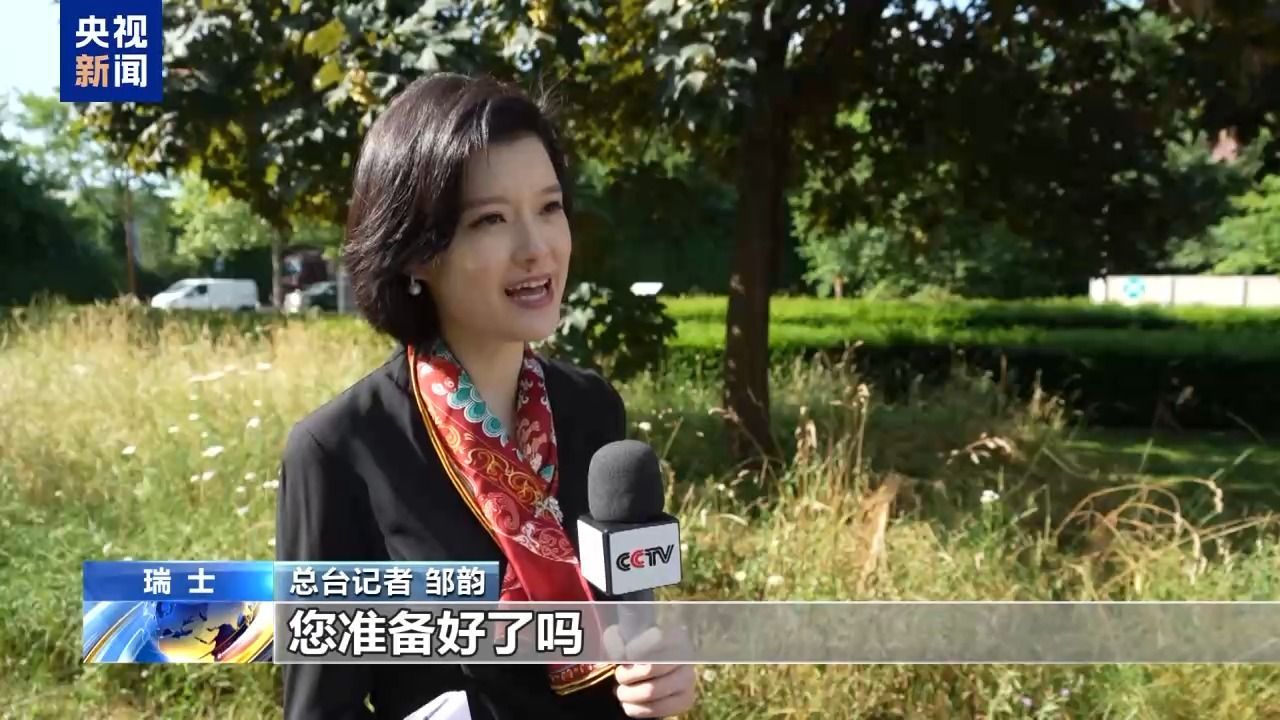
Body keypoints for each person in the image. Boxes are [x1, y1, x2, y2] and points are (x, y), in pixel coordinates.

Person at [275, 72, 697, 719]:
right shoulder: (341, 450)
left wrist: (659, 676)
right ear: (416, 252)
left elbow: (628, 633)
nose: (536, 248)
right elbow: (319, 710)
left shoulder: (591, 410)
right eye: (491, 219)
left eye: (549, 208)